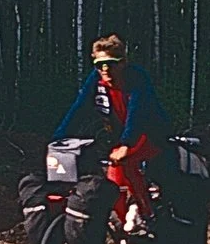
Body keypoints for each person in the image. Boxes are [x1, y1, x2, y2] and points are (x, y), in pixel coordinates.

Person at [51, 35, 171, 233]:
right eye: (99, 65)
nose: (104, 70)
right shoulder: (96, 80)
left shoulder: (136, 78)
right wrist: (59, 138)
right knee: (112, 183)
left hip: (149, 134)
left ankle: (147, 213)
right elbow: (80, 108)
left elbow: (137, 111)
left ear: (122, 63)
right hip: (123, 136)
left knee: (127, 161)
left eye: (110, 64)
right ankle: (126, 231)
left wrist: (125, 144)